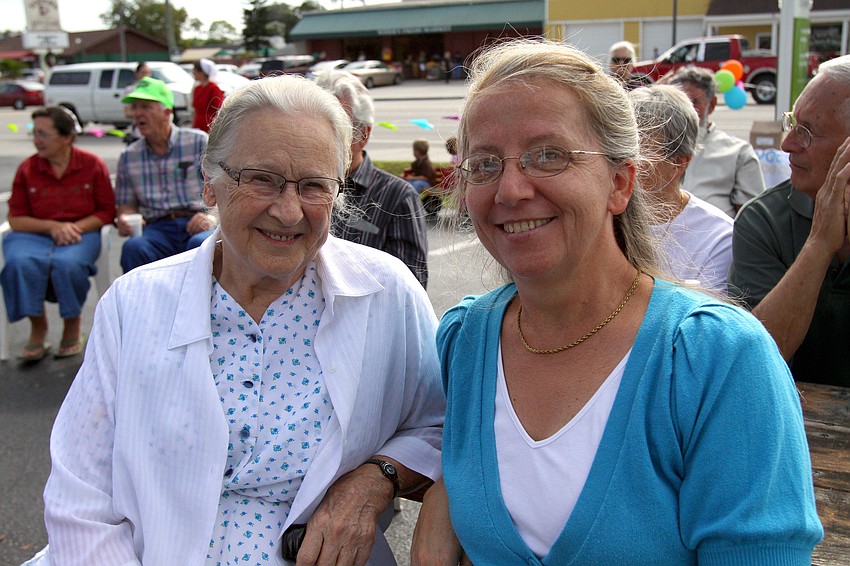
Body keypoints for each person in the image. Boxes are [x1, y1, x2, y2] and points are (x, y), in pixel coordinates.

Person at [410, 39, 822, 565]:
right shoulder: (465, 340)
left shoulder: (715, 358)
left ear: (620, 183)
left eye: (548, 156)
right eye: (486, 165)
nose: (510, 190)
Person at [41, 75, 445, 565]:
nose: (289, 210)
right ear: (211, 185)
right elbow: (81, 495)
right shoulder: (135, 303)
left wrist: (374, 480)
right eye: (262, 179)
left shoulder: (385, 292)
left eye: (315, 185)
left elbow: (435, 423)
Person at [729, 54, 850, 386]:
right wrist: (820, 243)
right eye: (792, 122)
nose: (787, 144)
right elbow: (755, 359)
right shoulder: (763, 220)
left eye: (807, 132)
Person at [1, 107, 115, 361]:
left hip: (80, 232)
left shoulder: (92, 165)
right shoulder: (27, 169)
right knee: (20, 262)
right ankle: (38, 327)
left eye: (43, 134)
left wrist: (75, 228)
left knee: (68, 263)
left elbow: (107, 212)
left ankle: (72, 323)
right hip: (34, 234)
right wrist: (52, 227)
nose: (36, 140)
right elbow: (16, 219)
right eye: (34, 133)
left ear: (66, 137)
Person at [317, 70, 429, 287]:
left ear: (364, 135)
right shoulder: (296, 189)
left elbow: (410, 290)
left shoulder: (396, 197)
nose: (322, 141)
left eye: (336, 129)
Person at [630, 84, 733, 292]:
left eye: (641, 154)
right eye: (617, 150)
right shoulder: (597, 216)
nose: (625, 164)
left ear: (680, 162)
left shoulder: (718, 236)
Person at [116, 76, 216, 273]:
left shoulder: (197, 142)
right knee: (134, 247)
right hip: (157, 228)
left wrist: (210, 215)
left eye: (145, 107)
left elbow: (224, 186)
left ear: (167, 112)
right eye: (135, 107)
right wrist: (125, 219)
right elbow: (126, 206)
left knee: (202, 245)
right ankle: (141, 305)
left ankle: (202, 303)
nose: (137, 114)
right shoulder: (129, 156)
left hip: (197, 221)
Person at [669, 66, 765, 217]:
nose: (686, 111)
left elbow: (752, 216)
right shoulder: (654, 148)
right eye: (680, 102)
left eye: (694, 102)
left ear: (711, 105)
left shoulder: (738, 152)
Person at [192, 58, 225, 133]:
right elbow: (195, 111)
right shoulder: (197, 88)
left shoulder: (213, 88)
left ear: (202, 72)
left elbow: (219, 110)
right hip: (198, 126)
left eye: (195, 70)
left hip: (209, 127)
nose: (193, 72)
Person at [122, 61, 151, 145]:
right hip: (138, 133)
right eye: (143, 73)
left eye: (148, 73)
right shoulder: (131, 90)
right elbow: (127, 112)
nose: (146, 76)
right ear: (136, 74)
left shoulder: (155, 90)